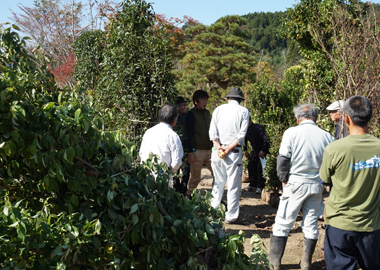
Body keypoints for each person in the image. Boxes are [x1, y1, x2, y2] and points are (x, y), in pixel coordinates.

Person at [268, 104, 333, 270]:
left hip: (295, 183)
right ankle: (306, 263)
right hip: (316, 185)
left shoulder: (292, 132)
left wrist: (283, 179)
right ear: (316, 117)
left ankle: (274, 263)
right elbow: (330, 164)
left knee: (283, 222)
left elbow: (283, 158)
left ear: (298, 118)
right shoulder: (327, 136)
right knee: (311, 224)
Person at [320, 96, 380, 270]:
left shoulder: (334, 149)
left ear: (346, 118)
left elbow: (324, 178)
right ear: (370, 117)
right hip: (372, 225)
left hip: (340, 224)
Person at [209, 87, 250, 224]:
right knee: (233, 185)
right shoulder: (244, 111)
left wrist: (219, 147)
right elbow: (241, 135)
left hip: (217, 150)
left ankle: (213, 211)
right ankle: (231, 216)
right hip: (233, 152)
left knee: (218, 182)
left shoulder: (218, 110)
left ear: (229, 98)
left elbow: (212, 131)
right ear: (240, 99)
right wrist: (228, 149)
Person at [139, 104, 183, 186]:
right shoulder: (173, 136)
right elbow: (177, 161)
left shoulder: (148, 132)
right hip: (163, 177)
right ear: (174, 119)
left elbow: (141, 153)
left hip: (146, 175)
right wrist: (170, 171)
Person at [184, 90, 214, 195]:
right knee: (195, 178)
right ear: (196, 101)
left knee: (217, 174)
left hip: (210, 150)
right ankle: (189, 195)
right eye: (202, 100)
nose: (205, 102)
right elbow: (189, 133)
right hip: (197, 151)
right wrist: (191, 151)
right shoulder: (191, 114)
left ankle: (215, 196)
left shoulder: (207, 113)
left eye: (206, 100)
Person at [243, 117, 270, 194]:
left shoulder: (258, 128)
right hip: (255, 151)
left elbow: (266, 139)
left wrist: (263, 151)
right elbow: (244, 140)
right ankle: (252, 184)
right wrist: (245, 150)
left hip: (262, 151)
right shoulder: (245, 129)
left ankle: (260, 186)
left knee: (260, 168)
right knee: (251, 165)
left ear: (250, 121)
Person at [172, 96, 190, 194]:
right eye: (180, 105)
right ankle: (176, 186)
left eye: (184, 105)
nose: (182, 107)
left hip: (186, 147)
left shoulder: (187, 116)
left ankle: (184, 187)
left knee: (186, 169)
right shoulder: (173, 118)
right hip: (176, 147)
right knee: (175, 168)